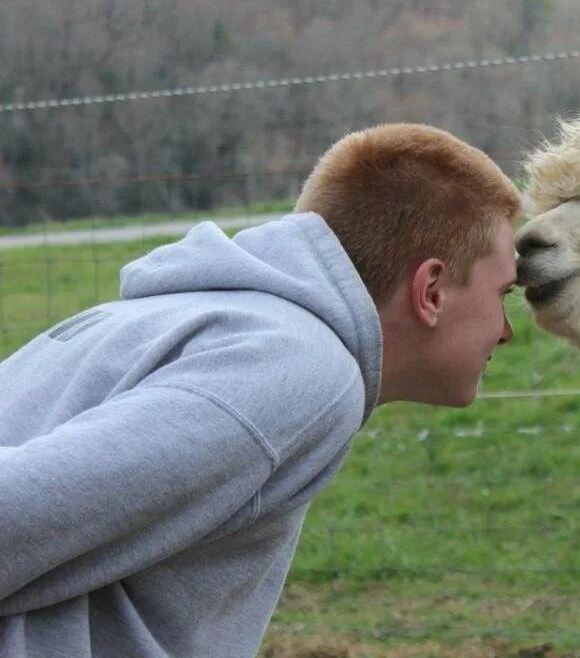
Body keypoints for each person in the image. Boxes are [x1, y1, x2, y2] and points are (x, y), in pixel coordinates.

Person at [0, 122, 521, 657]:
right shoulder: (298, 366)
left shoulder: (180, 317)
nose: (507, 330)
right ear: (430, 290)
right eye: (503, 292)